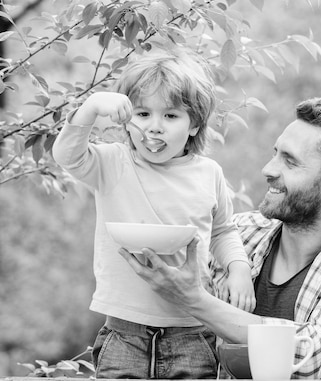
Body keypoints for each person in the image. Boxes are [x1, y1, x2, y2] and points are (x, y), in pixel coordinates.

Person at [119, 96, 321, 379]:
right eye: (275, 153)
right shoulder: (239, 236)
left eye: (290, 161)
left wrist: (194, 300)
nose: (268, 169)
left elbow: (310, 356)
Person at [52, 48, 255, 379]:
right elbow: (66, 156)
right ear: (127, 120)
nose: (155, 128)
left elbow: (222, 231)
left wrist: (239, 268)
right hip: (124, 333)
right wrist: (90, 109)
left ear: (194, 125)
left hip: (192, 332)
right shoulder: (113, 162)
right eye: (143, 114)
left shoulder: (208, 173)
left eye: (171, 116)